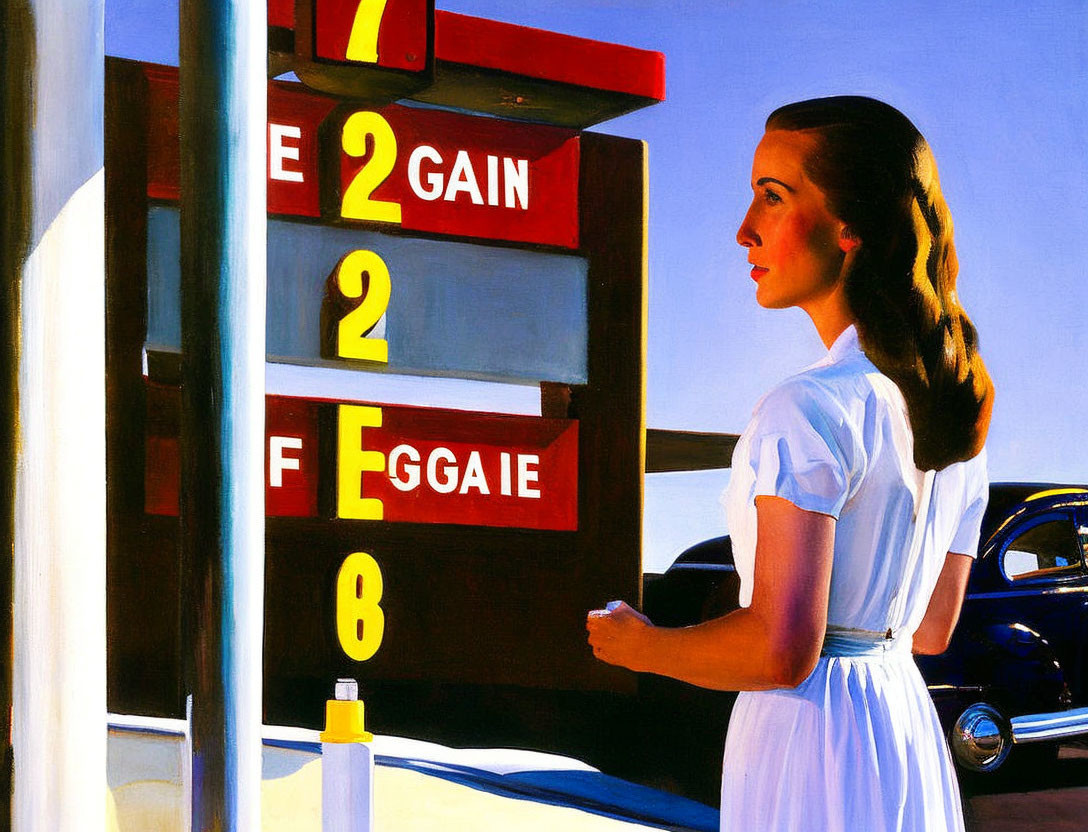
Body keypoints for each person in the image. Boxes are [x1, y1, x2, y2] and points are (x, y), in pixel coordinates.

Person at [585, 96, 994, 832]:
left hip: (810, 743)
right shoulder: (952, 421)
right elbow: (931, 630)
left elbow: (782, 650)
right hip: (902, 727)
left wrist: (643, 647)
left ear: (851, 227)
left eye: (773, 198)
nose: (745, 230)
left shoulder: (805, 409)